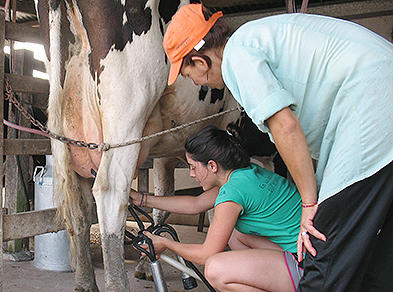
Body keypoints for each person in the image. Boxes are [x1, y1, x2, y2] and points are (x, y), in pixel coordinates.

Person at [162, 3, 393, 292]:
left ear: (199, 61)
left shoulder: (238, 57)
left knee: (323, 261)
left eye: (188, 75)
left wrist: (310, 203)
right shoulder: (258, 36)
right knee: (381, 259)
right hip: (381, 101)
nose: (197, 82)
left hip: (372, 113)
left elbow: (285, 126)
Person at [130, 123, 303, 292]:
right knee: (235, 233)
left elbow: (207, 254)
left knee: (215, 270)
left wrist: (167, 244)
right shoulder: (246, 174)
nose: (191, 173)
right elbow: (195, 204)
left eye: (193, 167)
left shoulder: (232, 193)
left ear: (212, 166)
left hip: (308, 268)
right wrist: (142, 199)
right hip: (308, 253)